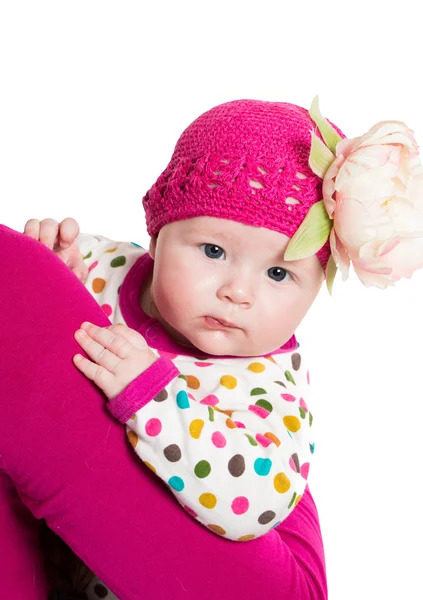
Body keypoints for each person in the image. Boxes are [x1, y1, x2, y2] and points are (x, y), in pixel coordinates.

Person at [1, 97, 422, 599]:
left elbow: (254, 501)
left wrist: (154, 400)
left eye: (279, 273)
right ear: (157, 237)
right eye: (214, 251)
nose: (238, 292)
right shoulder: (106, 263)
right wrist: (59, 275)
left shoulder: (269, 388)